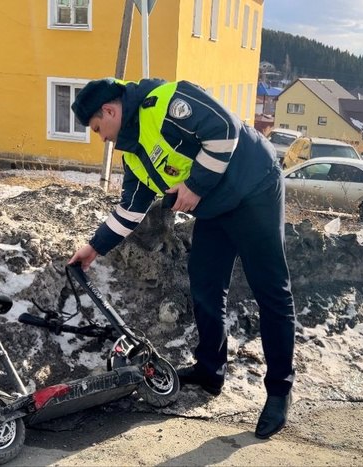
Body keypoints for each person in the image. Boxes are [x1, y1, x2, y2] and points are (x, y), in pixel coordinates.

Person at [68, 77, 295, 439]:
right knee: (205, 286)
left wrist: (194, 186)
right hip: (215, 209)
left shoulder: (166, 101)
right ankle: (210, 371)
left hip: (253, 189)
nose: (101, 138)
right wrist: (93, 247)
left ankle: (279, 391)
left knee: (271, 292)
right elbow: (130, 209)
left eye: (98, 128)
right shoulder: (135, 154)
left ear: (110, 111)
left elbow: (224, 130)